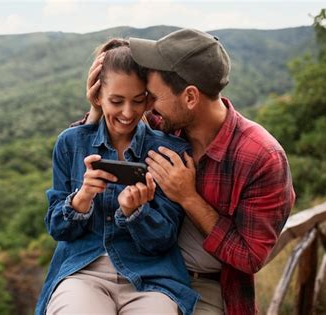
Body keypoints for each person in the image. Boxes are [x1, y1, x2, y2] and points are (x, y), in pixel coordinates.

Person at [83, 28, 296, 314]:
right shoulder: (163, 127)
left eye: (153, 97)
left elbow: (250, 257)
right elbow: (92, 150)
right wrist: (96, 108)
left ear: (191, 97)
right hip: (143, 270)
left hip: (204, 286)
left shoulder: (262, 158)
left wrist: (188, 197)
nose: (148, 107)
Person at [35, 38, 199, 315]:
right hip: (83, 272)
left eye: (137, 101)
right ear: (97, 97)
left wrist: (137, 212)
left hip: (152, 278)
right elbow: (58, 229)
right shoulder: (71, 143)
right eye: (116, 101)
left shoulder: (170, 151)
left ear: (148, 99)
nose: (127, 112)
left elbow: (163, 240)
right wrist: (82, 198)